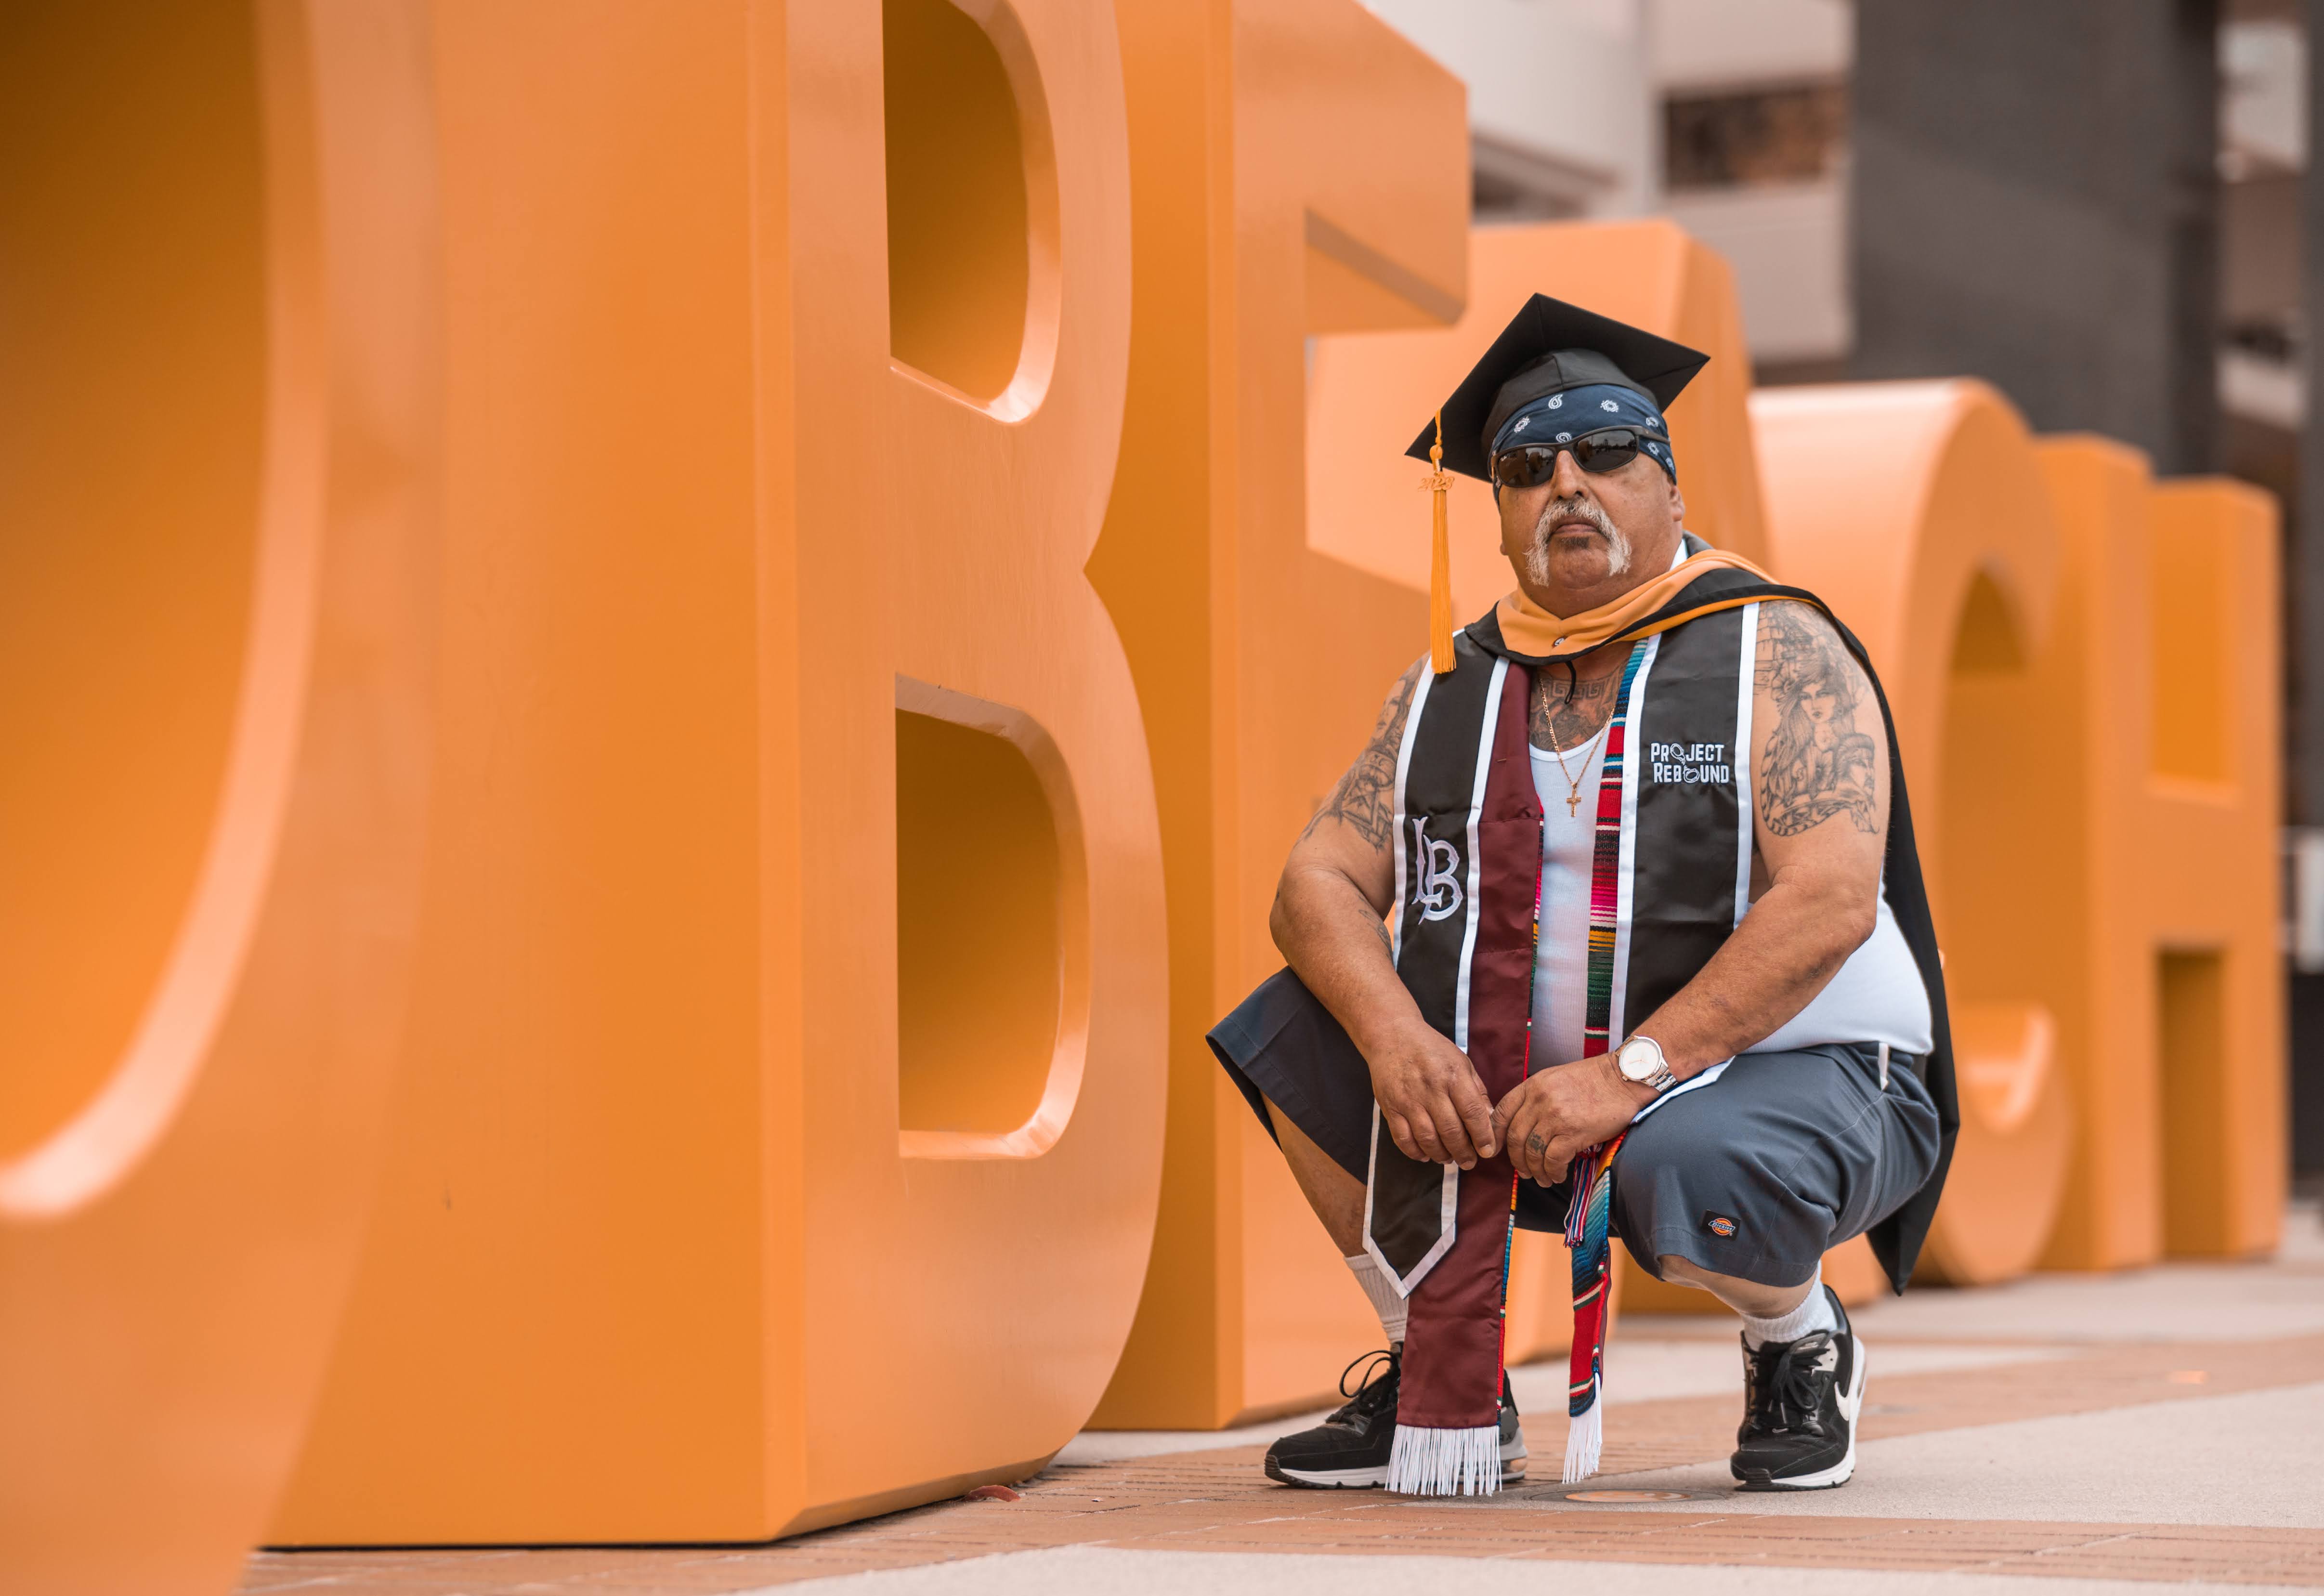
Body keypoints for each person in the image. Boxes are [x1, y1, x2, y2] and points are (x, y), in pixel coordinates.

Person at [1208, 295, 1956, 1498]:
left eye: (1607, 450)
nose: (1569, 482)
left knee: (1688, 1166)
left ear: (1667, 485)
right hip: (1530, 1099)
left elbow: (1828, 900)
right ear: (1496, 513)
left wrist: (1630, 1074)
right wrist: (1398, 1039)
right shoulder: (1453, 683)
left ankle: (1797, 1337)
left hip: (1792, 1081)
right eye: (1525, 466)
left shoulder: (1773, 648)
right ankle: (1444, 1376)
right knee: (1291, 1034)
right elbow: (1317, 884)